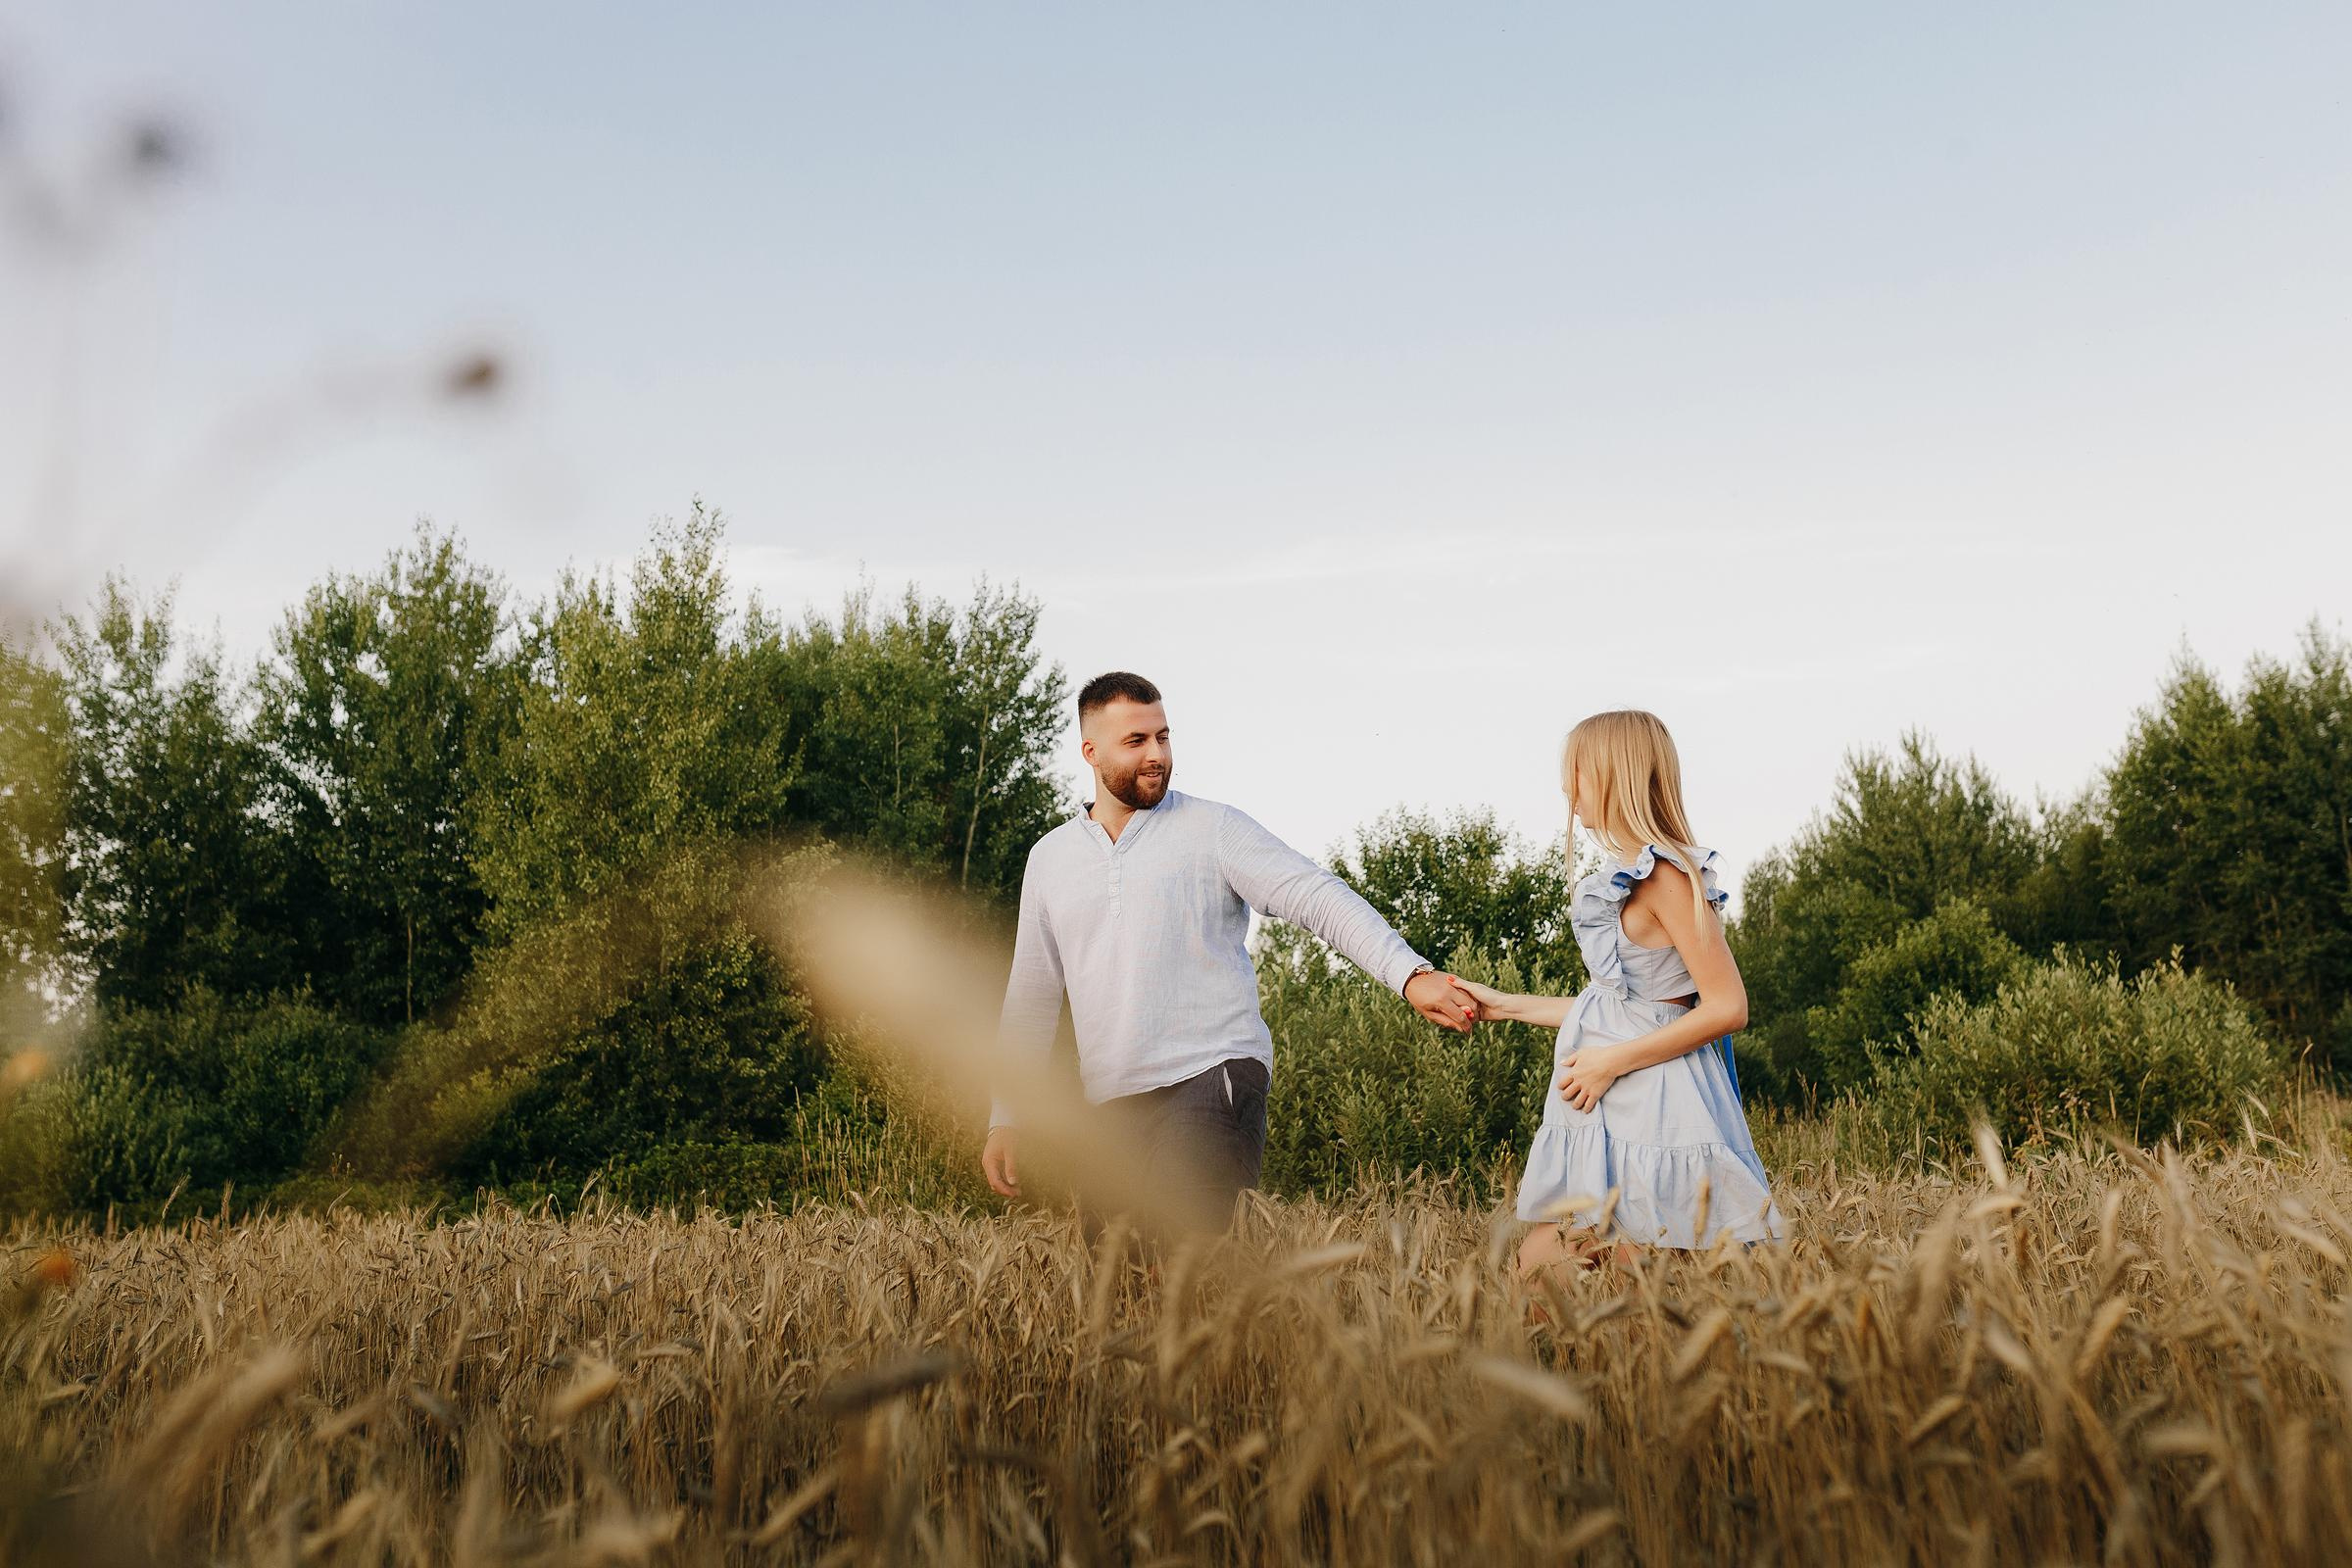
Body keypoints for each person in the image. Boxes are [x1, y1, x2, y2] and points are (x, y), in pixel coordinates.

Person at [985, 670, 1480, 1236]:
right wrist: (1007, 1115)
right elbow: (1032, 995)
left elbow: (1315, 896)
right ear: (1090, 752)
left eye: (1163, 737)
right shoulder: (1050, 859)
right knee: (1118, 1288)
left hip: (1209, 1076)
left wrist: (1408, 975)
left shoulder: (1212, 828)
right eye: (1136, 741)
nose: (1157, 756)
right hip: (1110, 1104)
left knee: (1191, 1266)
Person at [1458, 710, 1783, 1277]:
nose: (1567, 792)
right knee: (1546, 1275)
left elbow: (1729, 1007)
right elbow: (1619, 1009)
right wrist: (1500, 1006)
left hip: (1655, 1104)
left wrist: (1610, 1061)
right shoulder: (1631, 880)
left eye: (1576, 774)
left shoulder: (1668, 879)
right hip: (1614, 1103)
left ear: (1615, 774)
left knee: (1627, 1277)